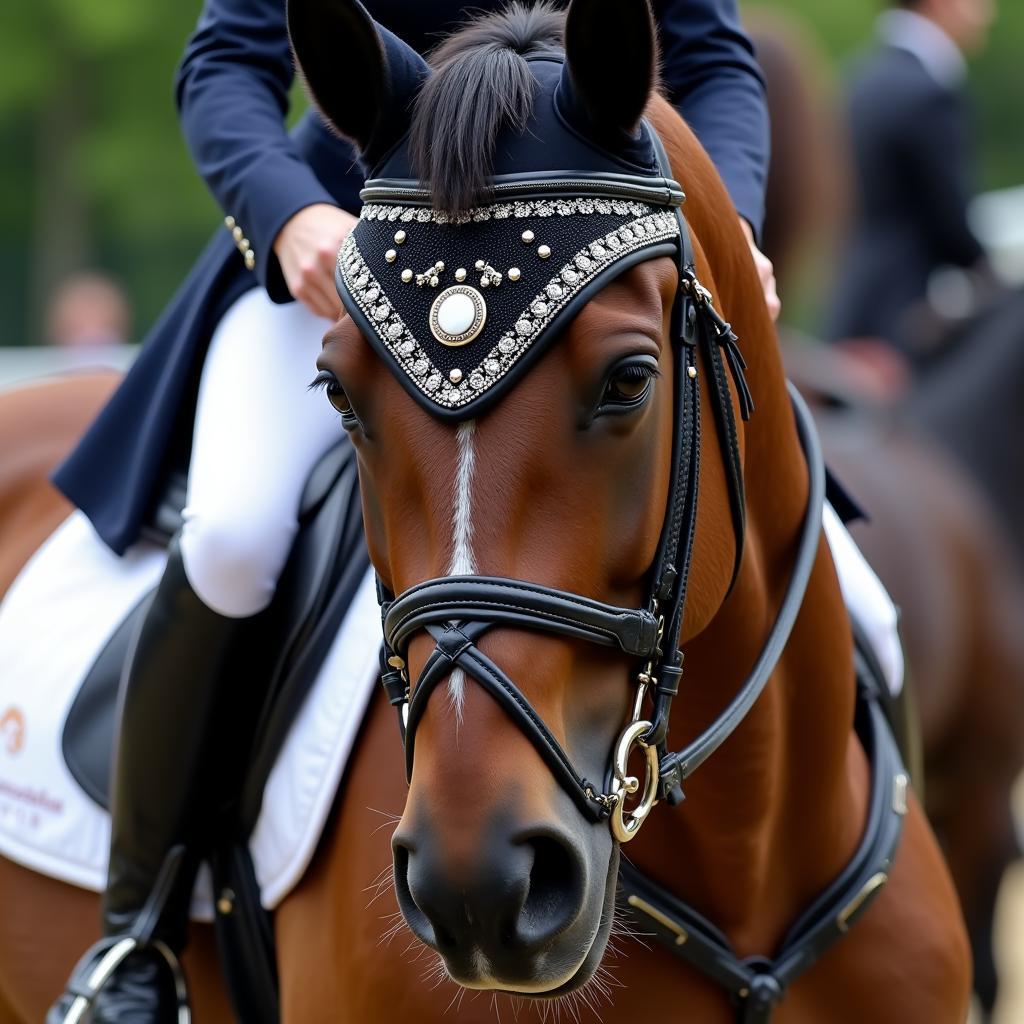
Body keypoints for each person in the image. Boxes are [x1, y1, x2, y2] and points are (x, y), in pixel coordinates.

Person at [47, 2, 777, 1020]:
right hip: (371, 250)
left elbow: (711, 58)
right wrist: (288, 213)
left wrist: (729, 229)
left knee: (817, 547)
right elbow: (226, 62)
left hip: (601, 244)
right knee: (234, 535)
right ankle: (138, 938)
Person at [828, 0, 996, 363]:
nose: (988, 12)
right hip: (907, 321)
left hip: (850, 304)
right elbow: (954, 228)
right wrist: (996, 279)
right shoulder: (929, 93)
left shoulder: (860, 77)